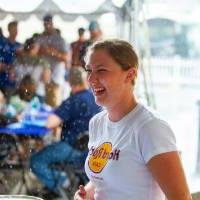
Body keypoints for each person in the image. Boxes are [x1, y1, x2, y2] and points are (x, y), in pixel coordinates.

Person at [74, 39, 191, 200]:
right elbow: (108, 180)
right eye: (89, 70)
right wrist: (85, 194)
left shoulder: (150, 127)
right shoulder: (97, 123)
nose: (91, 79)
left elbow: (181, 197)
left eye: (101, 70)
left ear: (130, 74)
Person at [30, 67, 101, 195]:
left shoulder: (73, 101)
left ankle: (63, 182)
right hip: (94, 151)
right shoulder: (96, 97)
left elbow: (50, 123)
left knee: (35, 161)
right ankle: (65, 182)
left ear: (69, 83)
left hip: (72, 149)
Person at [37, 14, 71, 107]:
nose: (46, 25)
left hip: (55, 78)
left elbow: (67, 58)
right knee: (41, 107)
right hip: (41, 78)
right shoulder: (40, 38)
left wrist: (52, 52)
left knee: (54, 107)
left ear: (52, 23)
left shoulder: (60, 39)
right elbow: (34, 54)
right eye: (45, 23)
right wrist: (40, 52)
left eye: (48, 23)